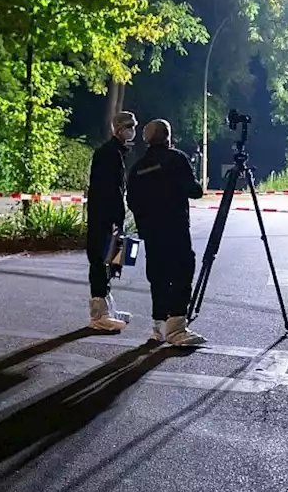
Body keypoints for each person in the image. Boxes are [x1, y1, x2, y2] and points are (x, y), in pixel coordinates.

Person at [126, 118, 206, 346]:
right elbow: (195, 191)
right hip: (176, 228)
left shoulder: (138, 167)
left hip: (151, 232)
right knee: (181, 272)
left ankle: (157, 326)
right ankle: (177, 327)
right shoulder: (177, 159)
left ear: (146, 139)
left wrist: (145, 221)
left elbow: (131, 199)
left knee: (158, 276)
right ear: (168, 137)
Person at [85, 111, 138, 332]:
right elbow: (110, 191)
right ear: (118, 128)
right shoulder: (109, 154)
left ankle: (108, 308)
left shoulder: (115, 152)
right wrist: (117, 217)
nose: (132, 130)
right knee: (100, 260)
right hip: (104, 216)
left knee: (111, 261)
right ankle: (99, 314)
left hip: (106, 215)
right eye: (128, 126)